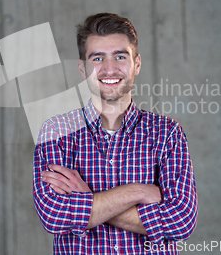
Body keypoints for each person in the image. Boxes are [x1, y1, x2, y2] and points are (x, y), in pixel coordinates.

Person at [33, 13, 197, 254]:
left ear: (137, 64)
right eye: (97, 58)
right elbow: (55, 216)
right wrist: (139, 192)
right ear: (82, 68)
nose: (109, 69)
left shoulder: (167, 133)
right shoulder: (56, 132)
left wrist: (88, 199)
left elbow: (181, 222)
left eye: (120, 56)